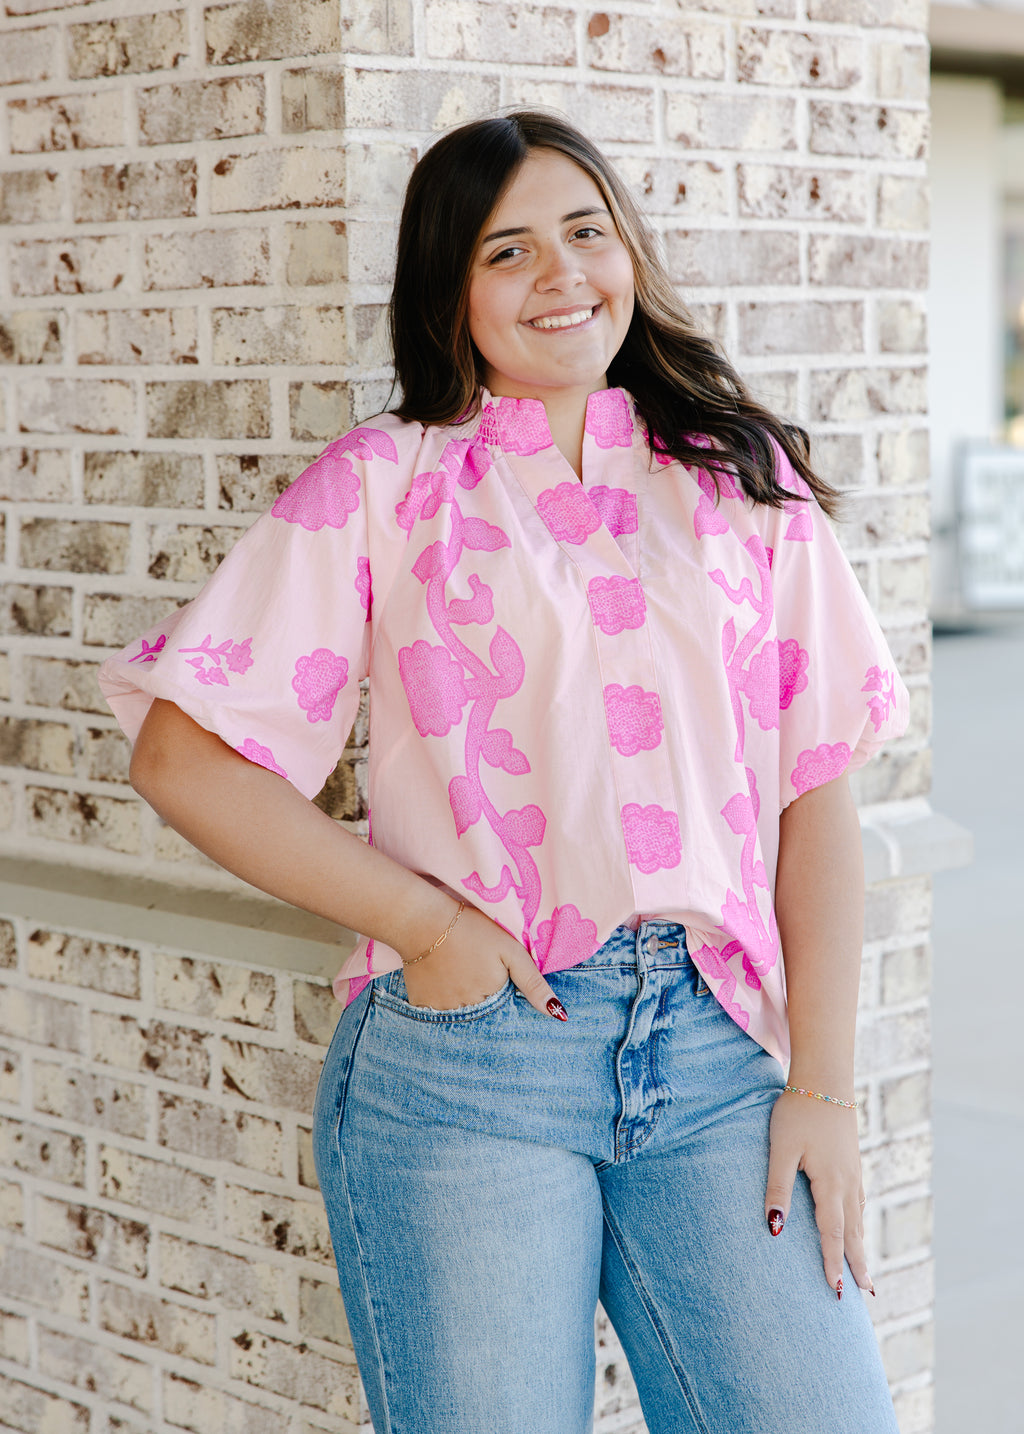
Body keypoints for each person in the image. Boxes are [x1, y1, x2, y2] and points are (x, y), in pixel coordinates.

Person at [99, 111, 908, 1434]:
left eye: (585, 232)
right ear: (450, 294)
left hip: (714, 1056)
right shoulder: (385, 482)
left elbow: (818, 789)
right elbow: (181, 752)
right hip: (465, 1066)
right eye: (506, 251)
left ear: (627, 252)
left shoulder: (740, 479)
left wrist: (823, 1086)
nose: (561, 274)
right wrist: (423, 922)